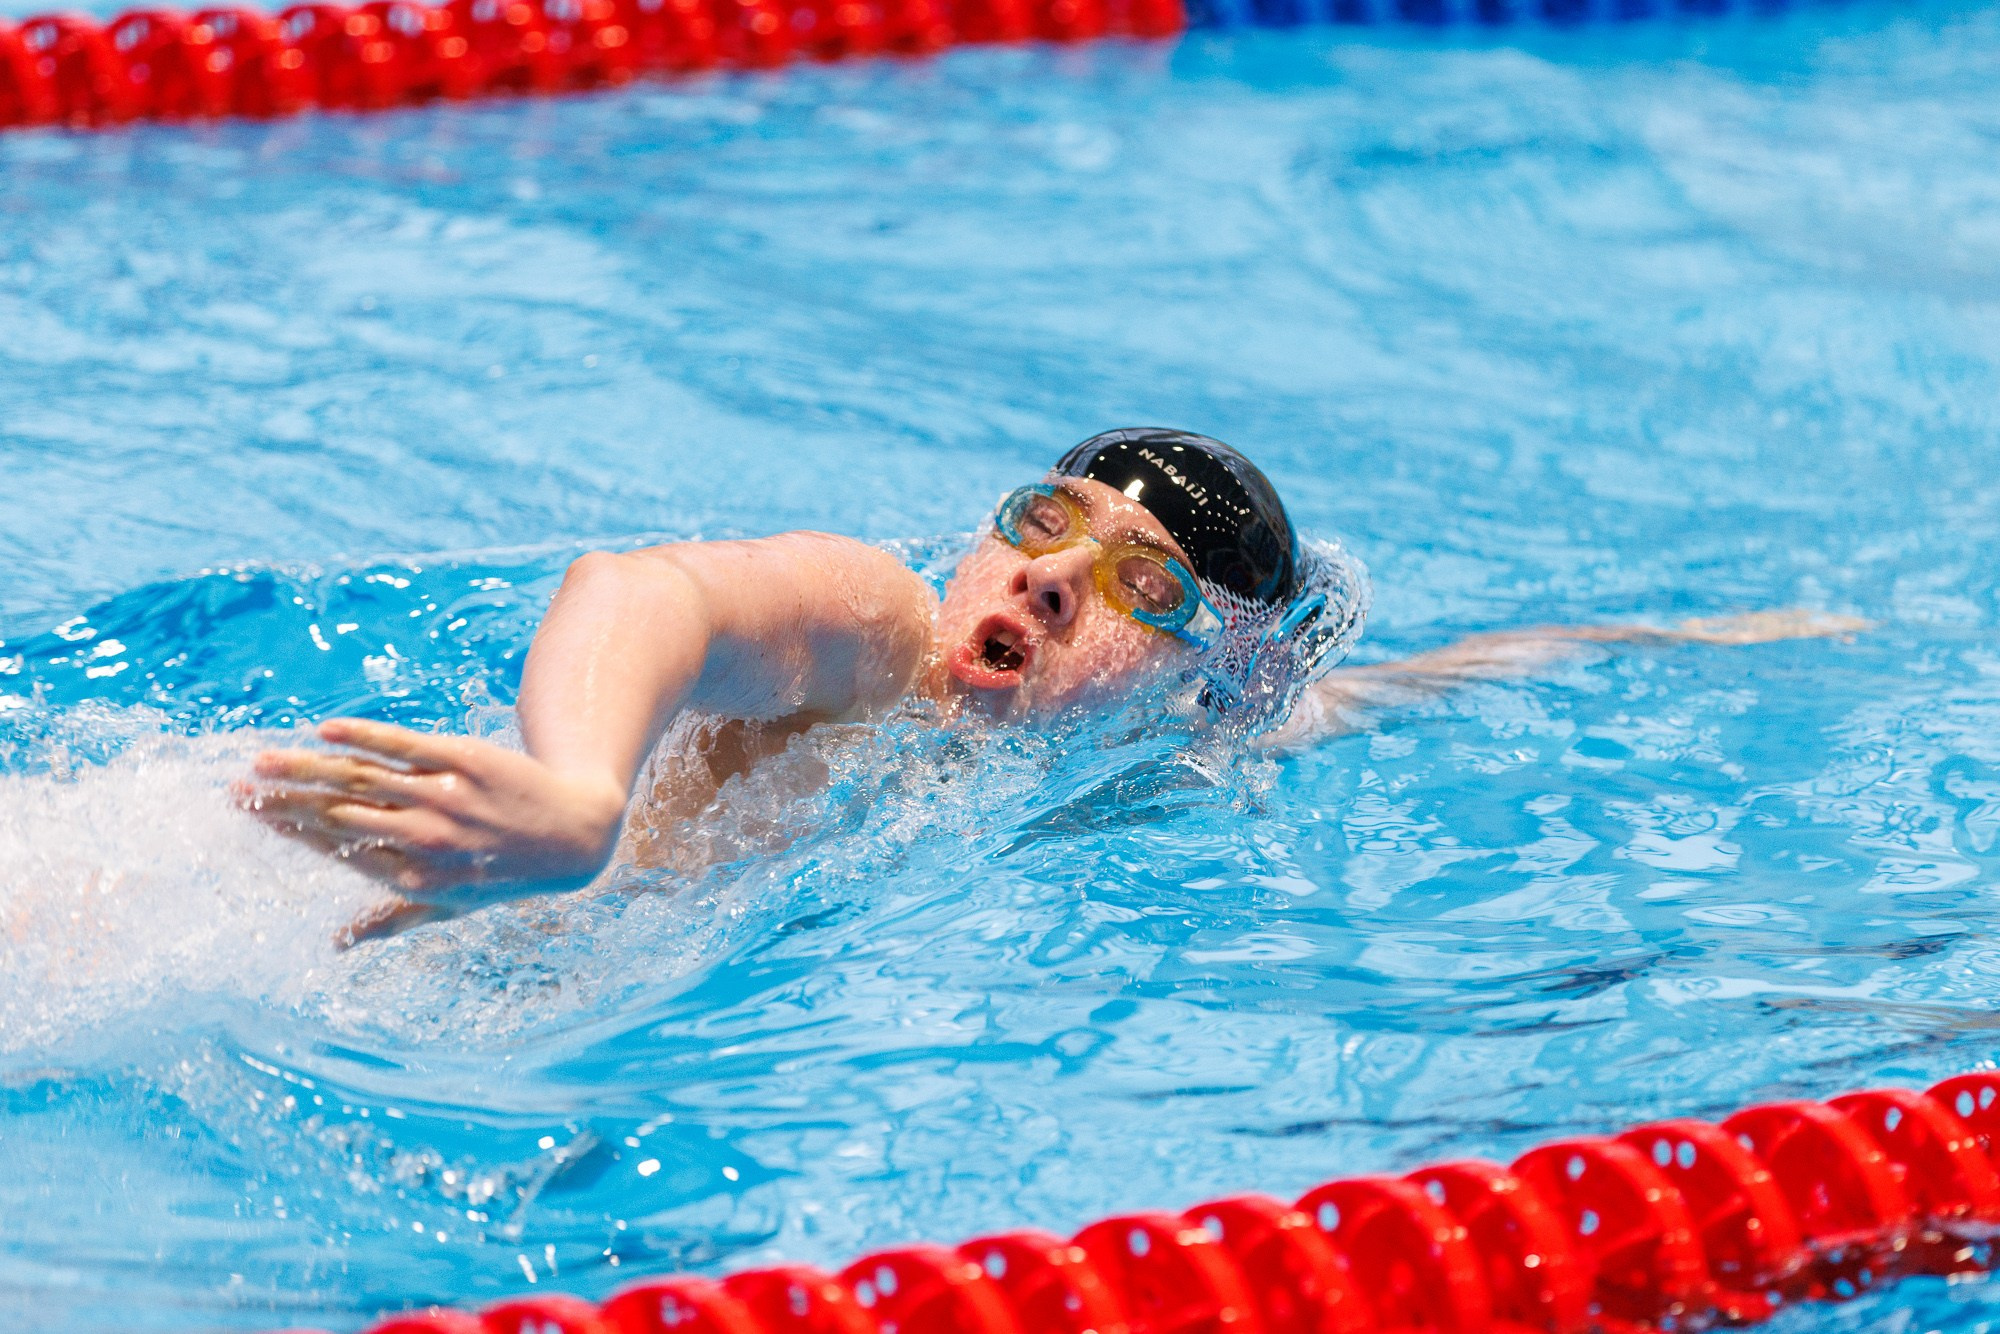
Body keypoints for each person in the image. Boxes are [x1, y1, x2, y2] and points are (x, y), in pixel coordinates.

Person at [240, 428, 1862, 939]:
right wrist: (584, 793)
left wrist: (1682, 642)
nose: (1049, 580)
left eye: (1135, 589)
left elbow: (1364, 688)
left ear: (1198, 680)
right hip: (287, 864)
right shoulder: (881, 636)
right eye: (1042, 526)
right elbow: (642, 587)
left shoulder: (1171, 748)